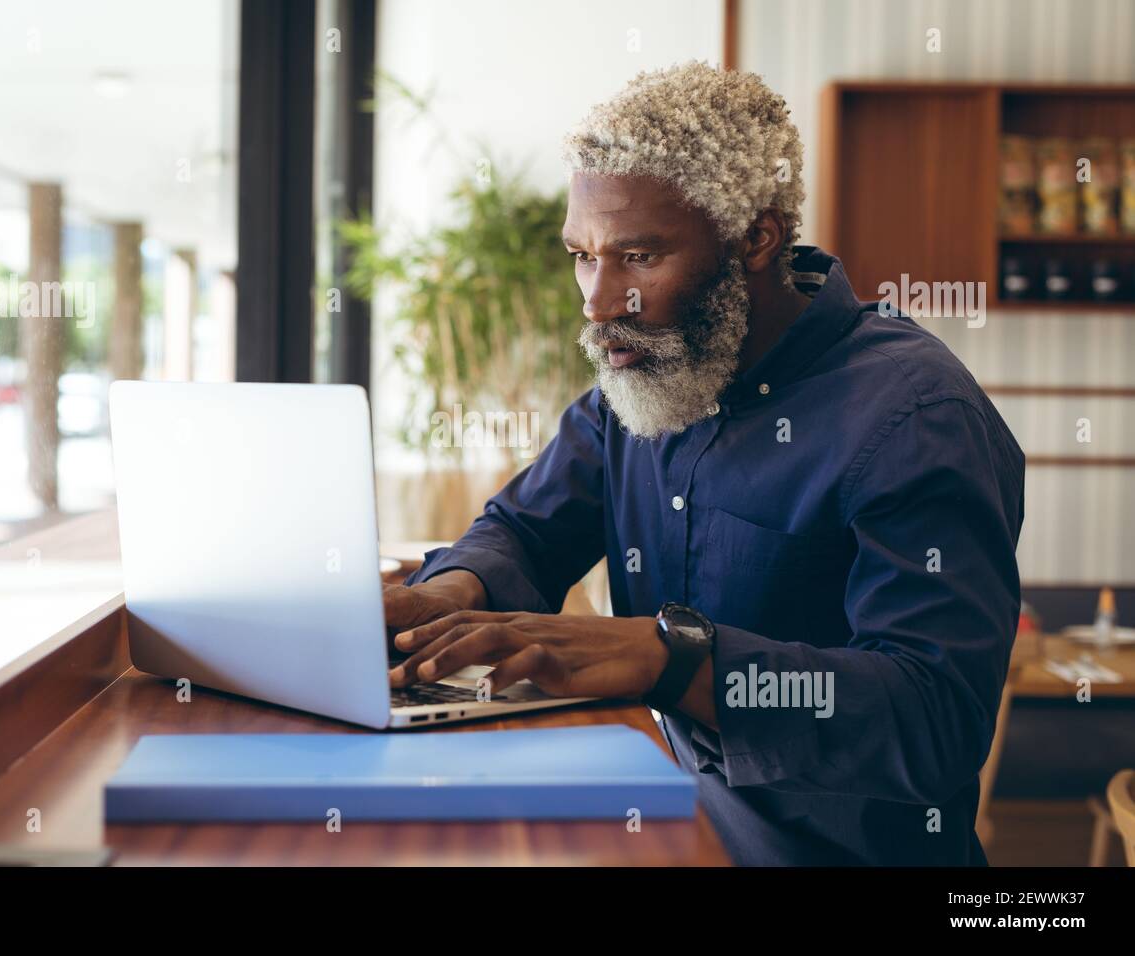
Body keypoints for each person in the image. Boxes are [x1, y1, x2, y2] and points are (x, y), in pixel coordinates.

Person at [384, 61, 1025, 866]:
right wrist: (448, 593)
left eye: (638, 257)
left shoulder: (916, 416)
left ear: (755, 236)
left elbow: (934, 716)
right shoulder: (646, 376)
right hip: (674, 832)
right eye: (583, 255)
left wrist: (677, 659)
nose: (597, 299)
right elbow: (524, 529)